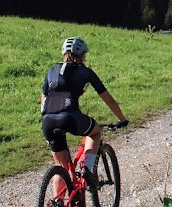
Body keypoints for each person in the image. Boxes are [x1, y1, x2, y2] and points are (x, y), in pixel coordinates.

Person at [40, 36, 127, 192]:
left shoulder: (51, 71)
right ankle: (87, 169)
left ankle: (59, 206)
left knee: (61, 166)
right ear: (80, 56)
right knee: (94, 132)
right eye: (84, 56)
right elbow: (107, 98)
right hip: (70, 117)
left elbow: (43, 99)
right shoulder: (84, 71)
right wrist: (122, 119)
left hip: (47, 121)